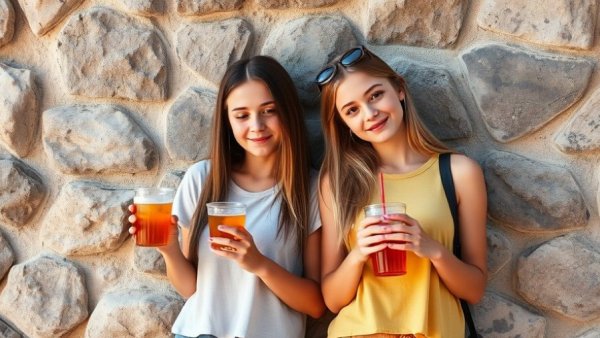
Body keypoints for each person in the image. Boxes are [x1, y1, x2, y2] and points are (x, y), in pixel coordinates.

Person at [129, 55, 325, 338]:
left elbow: (315, 304)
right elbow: (192, 290)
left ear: (288, 112)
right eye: (242, 115)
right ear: (228, 121)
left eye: (268, 110)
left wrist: (259, 264)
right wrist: (168, 249)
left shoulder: (310, 187)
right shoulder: (202, 179)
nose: (256, 125)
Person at [315, 46, 487, 338]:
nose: (369, 114)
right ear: (343, 124)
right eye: (352, 110)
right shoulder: (337, 182)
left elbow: (474, 290)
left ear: (399, 89)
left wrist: (432, 249)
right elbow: (332, 299)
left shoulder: (460, 173)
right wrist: (358, 253)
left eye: (375, 95)